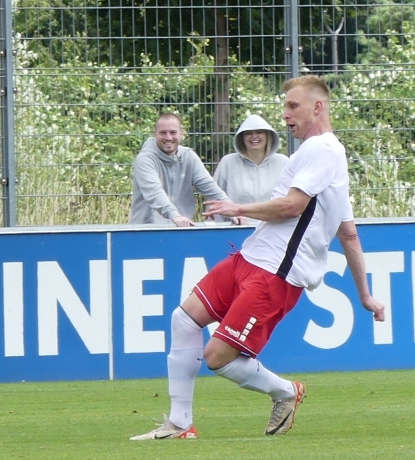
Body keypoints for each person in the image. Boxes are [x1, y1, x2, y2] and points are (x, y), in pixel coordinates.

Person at [132, 76, 385, 440]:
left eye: (292, 106)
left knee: (217, 357)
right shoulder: (318, 154)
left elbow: (293, 206)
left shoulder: (324, 151)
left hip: (276, 274)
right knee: (184, 318)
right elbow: (348, 233)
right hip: (250, 258)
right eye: (285, 107)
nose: (285, 115)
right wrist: (365, 294)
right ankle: (180, 424)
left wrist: (237, 207)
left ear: (317, 107)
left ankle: (285, 391)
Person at [129, 112, 225, 227]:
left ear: (181, 133)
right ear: (155, 134)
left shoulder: (189, 156)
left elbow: (210, 187)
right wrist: (175, 216)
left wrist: (232, 210)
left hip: (180, 228)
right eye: (163, 133)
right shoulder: (145, 159)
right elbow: (154, 192)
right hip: (147, 229)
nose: (168, 137)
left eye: (173, 132)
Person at [211, 112, 286, 222]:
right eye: (248, 133)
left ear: (268, 136)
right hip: (237, 229)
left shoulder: (283, 162)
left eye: (259, 132)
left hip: (274, 229)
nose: (254, 136)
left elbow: (291, 202)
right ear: (242, 137)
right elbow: (215, 200)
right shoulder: (228, 162)